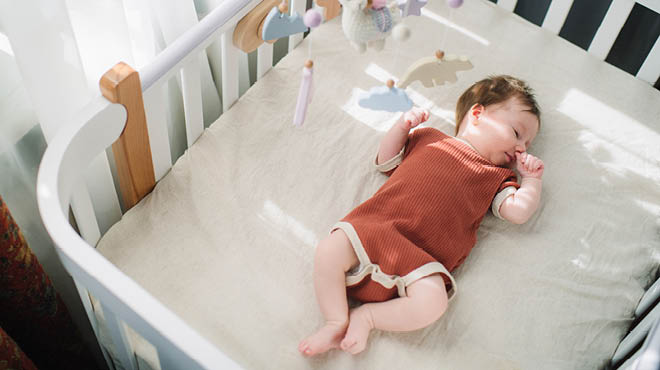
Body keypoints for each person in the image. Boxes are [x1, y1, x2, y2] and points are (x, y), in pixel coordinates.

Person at [298, 75, 544, 356]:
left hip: (421, 260)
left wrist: (532, 181)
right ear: (477, 114)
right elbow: (385, 161)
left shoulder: (499, 178)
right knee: (331, 246)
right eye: (516, 133)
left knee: (435, 302)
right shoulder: (428, 138)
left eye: (528, 143)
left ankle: (367, 317)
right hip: (375, 228)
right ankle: (335, 320)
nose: (522, 148)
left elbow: (518, 212)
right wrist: (402, 127)